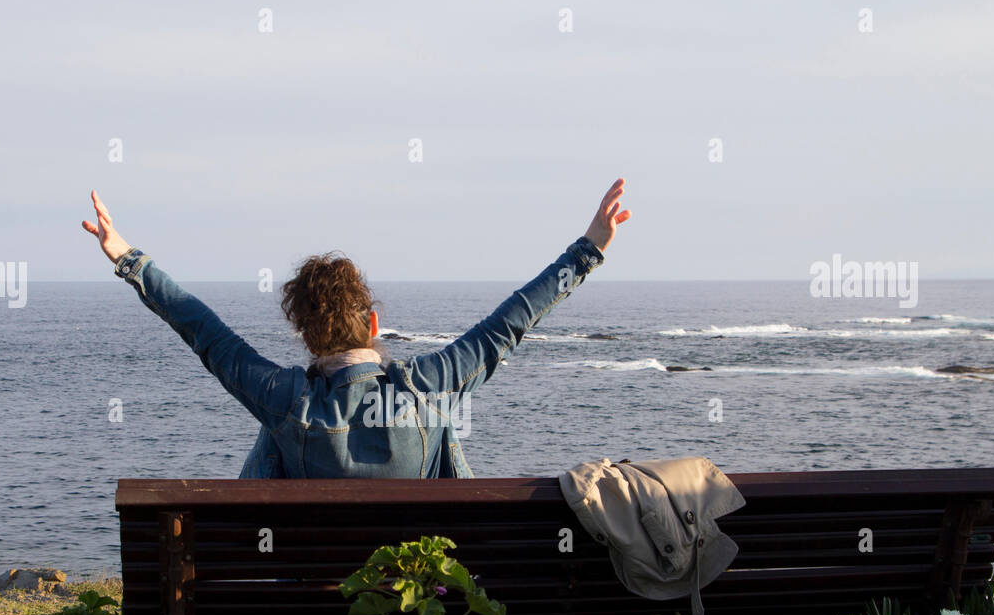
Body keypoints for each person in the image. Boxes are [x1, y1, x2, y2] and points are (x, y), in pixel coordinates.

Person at [82, 179, 629, 478]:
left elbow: (205, 331)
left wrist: (130, 260)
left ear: (307, 338)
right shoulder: (432, 384)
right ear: (372, 323)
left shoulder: (283, 398)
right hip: (411, 596)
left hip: (317, 591)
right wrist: (588, 249)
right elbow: (505, 326)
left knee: (275, 435)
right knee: (442, 430)